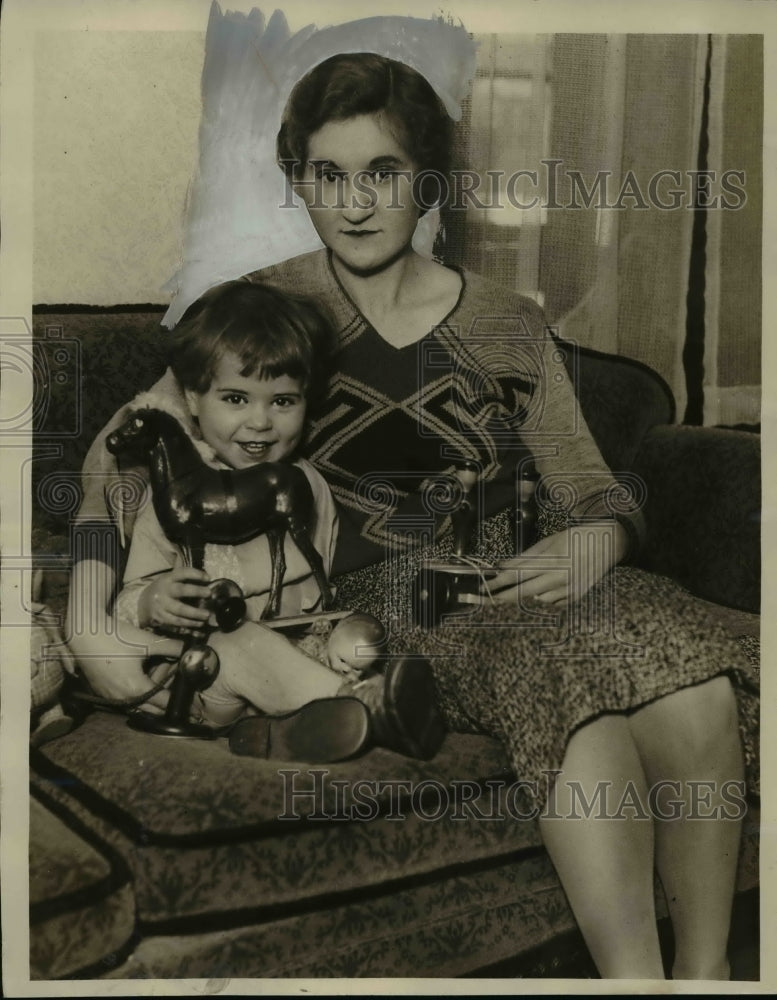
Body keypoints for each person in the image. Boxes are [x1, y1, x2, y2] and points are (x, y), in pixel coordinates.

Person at [68, 52, 759, 980]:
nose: (356, 203)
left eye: (383, 173)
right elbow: (120, 451)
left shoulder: (510, 323)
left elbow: (591, 489)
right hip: (384, 601)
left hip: (531, 575)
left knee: (699, 681)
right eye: (329, 175)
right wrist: (91, 606)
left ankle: (709, 976)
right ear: (298, 181)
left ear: (427, 182)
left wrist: (598, 538)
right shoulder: (265, 311)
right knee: (573, 684)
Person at [77, 278, 445, 760]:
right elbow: (127, 600)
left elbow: (312, 588)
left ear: (306, 402)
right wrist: (151, 600)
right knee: (240, 641)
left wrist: (341, 631)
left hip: (297, 649)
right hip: (204, 671)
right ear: (191, 399)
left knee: (360, 636)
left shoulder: (303, 484)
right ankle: (366, 708)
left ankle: (287, 731)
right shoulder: (166, 499)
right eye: (235, 398)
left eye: (282, 401)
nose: (260, 422)